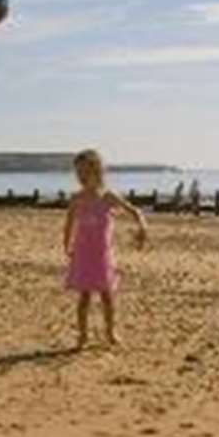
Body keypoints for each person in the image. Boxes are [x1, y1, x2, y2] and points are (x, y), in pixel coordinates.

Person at [62, 149, 148, 349]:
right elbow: (68, 224)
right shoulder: (76, 198)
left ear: (98, 171)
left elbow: (135, 211)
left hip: (102, 256)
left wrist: (143, 227)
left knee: (107, 296)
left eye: (85, 172)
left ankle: (111, 332)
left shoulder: (108, 197)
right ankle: (82, 336)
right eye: (78, 173)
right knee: (84, 298)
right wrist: (66, 245)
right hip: (83, 255)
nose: (81, 178)